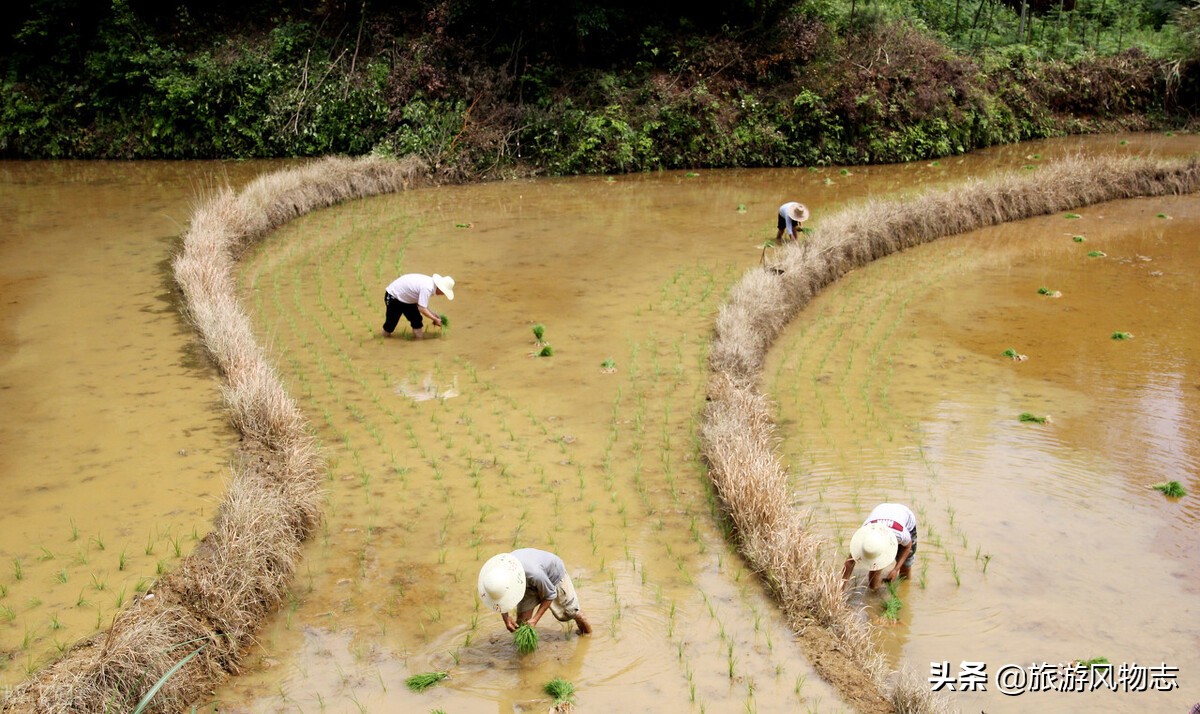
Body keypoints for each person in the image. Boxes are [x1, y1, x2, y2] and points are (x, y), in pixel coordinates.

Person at [478, 548, 593, 635]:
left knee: (570, 612)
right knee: (522, 623)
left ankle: (588, 635)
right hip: (525, 582)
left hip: (553, 576)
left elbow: (550, 595)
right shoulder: (497, 573)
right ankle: (525, 654)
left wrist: (535, 619)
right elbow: (500, 596)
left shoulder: (534, 574)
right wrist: (505, 617)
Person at [841, 503, 918, 591]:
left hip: (904, 517)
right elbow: (849, 562)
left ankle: (904, 589)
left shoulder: (900, 534)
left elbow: (908, 547)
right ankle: (875, 590)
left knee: (906, 564)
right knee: (874, 562)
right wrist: (841, 588)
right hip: (881, 510)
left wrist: (896, 569)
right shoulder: (862, 536)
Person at [382, 273, 454, 339]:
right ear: (440, 288)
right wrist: (435, 319)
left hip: (407, 298)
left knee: (417, 320)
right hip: (393, 296)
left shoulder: (431, 285)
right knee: (390, 324)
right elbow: (422, 308)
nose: (443, 295)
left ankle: (419, 341)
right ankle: (383, 338)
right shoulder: (428, 288)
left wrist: (433, 314)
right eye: (444, 292)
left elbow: (422, 304)